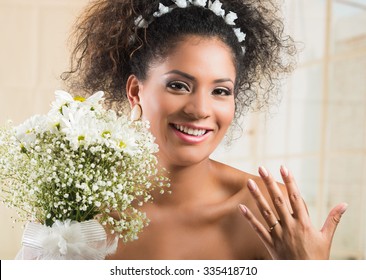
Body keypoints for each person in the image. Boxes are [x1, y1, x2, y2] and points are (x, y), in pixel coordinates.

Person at [61, 0, 347, 259]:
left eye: (220, 91)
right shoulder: (78, 209)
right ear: (136, 91)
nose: (200, 109)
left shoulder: (272, 211)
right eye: (178, 86)